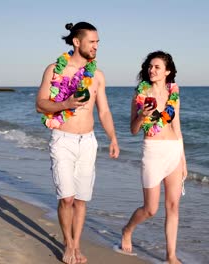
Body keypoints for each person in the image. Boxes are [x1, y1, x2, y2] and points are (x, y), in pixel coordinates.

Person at [36, 22, 120, 264]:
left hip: (88, 141)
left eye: (97, 43)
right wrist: (65, 104)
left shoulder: (98, 75)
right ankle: (69, 245)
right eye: (92, 42)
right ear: (76, 41)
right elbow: (40, 104)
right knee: (67, 198)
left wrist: (113, 138)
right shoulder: (54, 70)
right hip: (62, 139)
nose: (96, 46)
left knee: (81, 199)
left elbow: (103, 111)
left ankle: (77, 243)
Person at [119, 51, 187, 264]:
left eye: (157, 67)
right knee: (151, 209)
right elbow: (133, 129)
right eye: (150, 66)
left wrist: (183, 159)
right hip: (153, 151)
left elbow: (177, 127)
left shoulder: (173, 94)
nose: (152, 70)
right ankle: (128, 229)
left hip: (174, 150)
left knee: (173, 206)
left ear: (167, 71)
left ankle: (171, 256)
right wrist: (142, 115)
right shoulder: (140, 94)